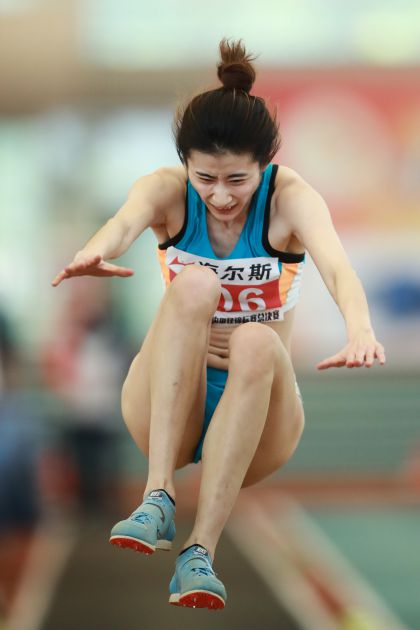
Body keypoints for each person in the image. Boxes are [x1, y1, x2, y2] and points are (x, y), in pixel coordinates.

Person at [51, 39, 386, 610]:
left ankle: (199, 552)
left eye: (237, 180)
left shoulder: (290, 198)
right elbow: (124, 223)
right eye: (206, 178)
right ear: (186, 163)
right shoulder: (166, 189)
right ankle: (157, 496)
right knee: (194, 286)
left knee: (257, 339)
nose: (221, 196)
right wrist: (93, 250)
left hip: (258, 410)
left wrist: (361, 329)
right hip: (167, 403)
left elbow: (337, 266)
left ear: (265, 166)